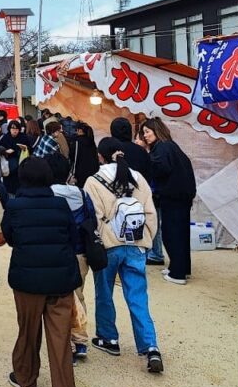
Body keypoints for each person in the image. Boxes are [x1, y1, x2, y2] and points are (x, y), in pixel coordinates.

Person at [2, 157, 81, 387]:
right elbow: (73, 238)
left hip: (27, 279)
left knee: (28, 330)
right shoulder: (61, 205)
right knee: (60, 342)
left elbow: (9, 237)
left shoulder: (15, 206)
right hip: (61, 279)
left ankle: (26, 378)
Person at [84, 137, 164, 374]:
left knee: (104, 292)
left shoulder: (93, 181)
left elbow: (93, 216)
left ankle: (108, 337)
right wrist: (146, 239)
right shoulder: (138, 178)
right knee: (138, 296)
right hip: (136, 244)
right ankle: (150, 346)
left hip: (109, 246)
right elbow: (151, 213)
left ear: (100, 156)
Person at [48, 161, 97, 362]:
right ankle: (80, 340)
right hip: (80, 252)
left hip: (56, 252)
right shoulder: (82, 194)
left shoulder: (48, 195)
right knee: (78, 295)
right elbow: (92, 219)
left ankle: (66, 342)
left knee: (59, 301)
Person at [140, 118, 196, 285]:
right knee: (180, 234)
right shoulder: (170, 146)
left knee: (173, 234)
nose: (145, 136)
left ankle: (178, 274)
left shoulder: (162, 148)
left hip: (174, 196)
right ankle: (180, 268)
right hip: (181, 196)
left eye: (147, 132)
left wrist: (146, 158)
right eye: (143, 133)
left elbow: (161, 168)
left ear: (157, 131)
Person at [110, 118, 162, 265]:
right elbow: (149, 173)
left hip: (118, 197)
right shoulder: (141, 151)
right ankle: (151, 253)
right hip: (140, 195)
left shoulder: (113, 150)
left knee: (119, 225)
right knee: (146, 223)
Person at [0, 119, 32, 197]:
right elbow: (0, 149)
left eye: (17, 129)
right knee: (9, 186)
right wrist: (5, 151)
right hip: (9, 165)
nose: (15, 131)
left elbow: (30, 148)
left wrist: (25, 148)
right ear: (9, 129)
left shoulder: (23, 137)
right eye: (13, 128)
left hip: (21, 163)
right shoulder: (5, 138)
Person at [69, 122, 99, 189]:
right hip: (93, 171)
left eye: (76, 130)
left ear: (80, 130)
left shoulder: (76, 142)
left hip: (81, 173)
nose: (76, 132)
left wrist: (73, 174)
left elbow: (74, 158)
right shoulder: (91, 140)